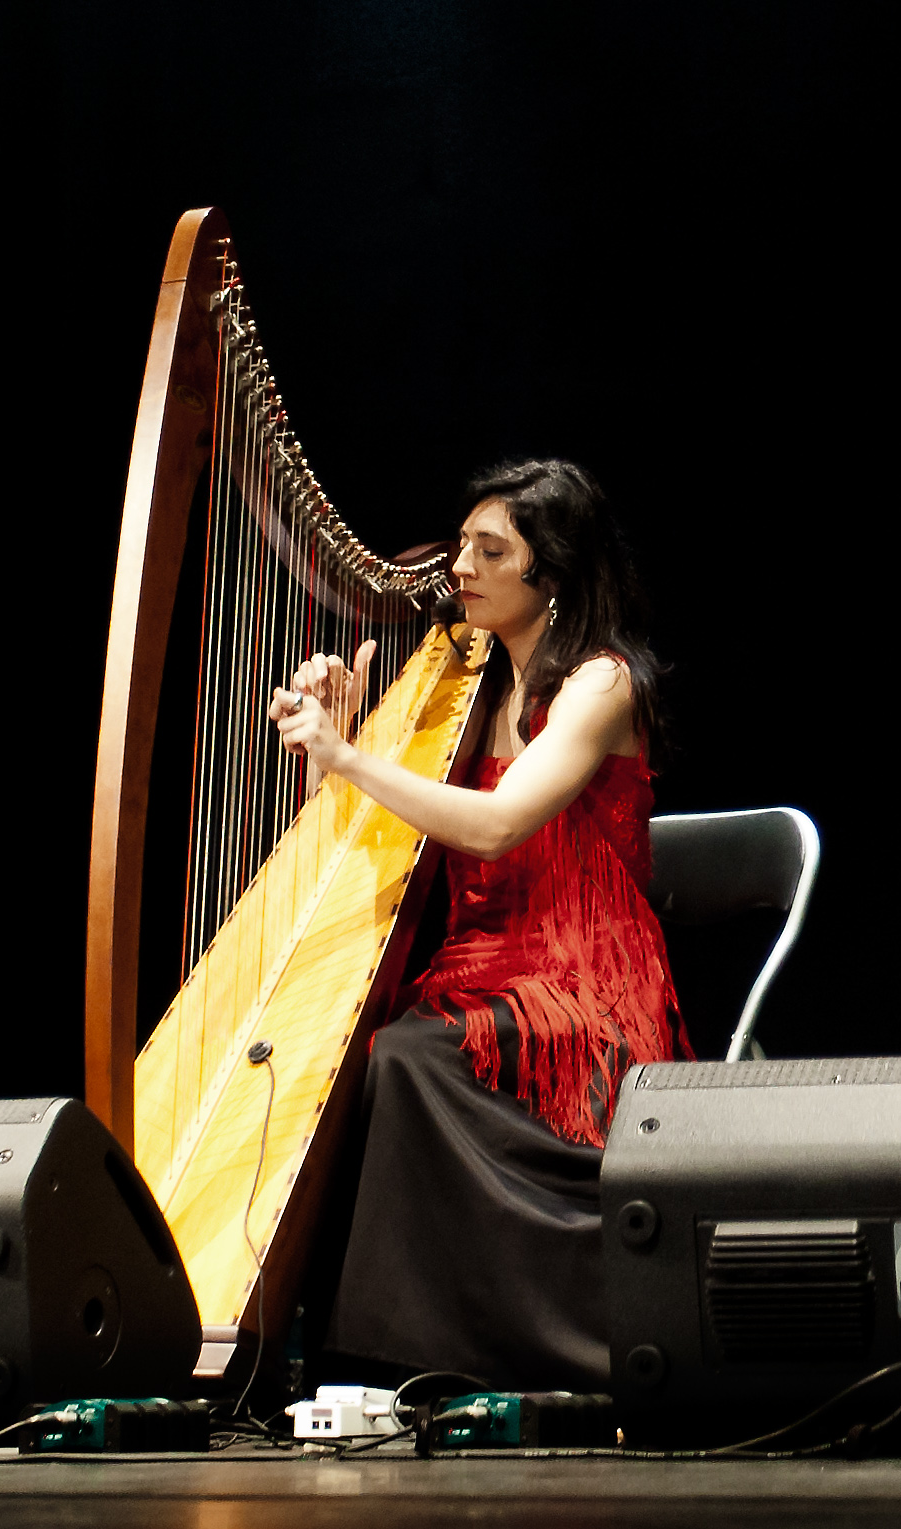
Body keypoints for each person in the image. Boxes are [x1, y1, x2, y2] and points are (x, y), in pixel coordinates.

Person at [280, 458, 689, 1393]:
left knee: (410, 1057)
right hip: (479, 964)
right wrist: (338, 740)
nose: (458, 563)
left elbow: (498, 827)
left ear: (548, 571)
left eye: (489, 548)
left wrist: (347, 752)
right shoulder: (463, 687)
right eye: (462, 542)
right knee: (367, 1054)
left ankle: (424, 1355)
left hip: (580, 969)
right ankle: (389, 1354)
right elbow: (354, 837)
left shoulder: (600, 684)